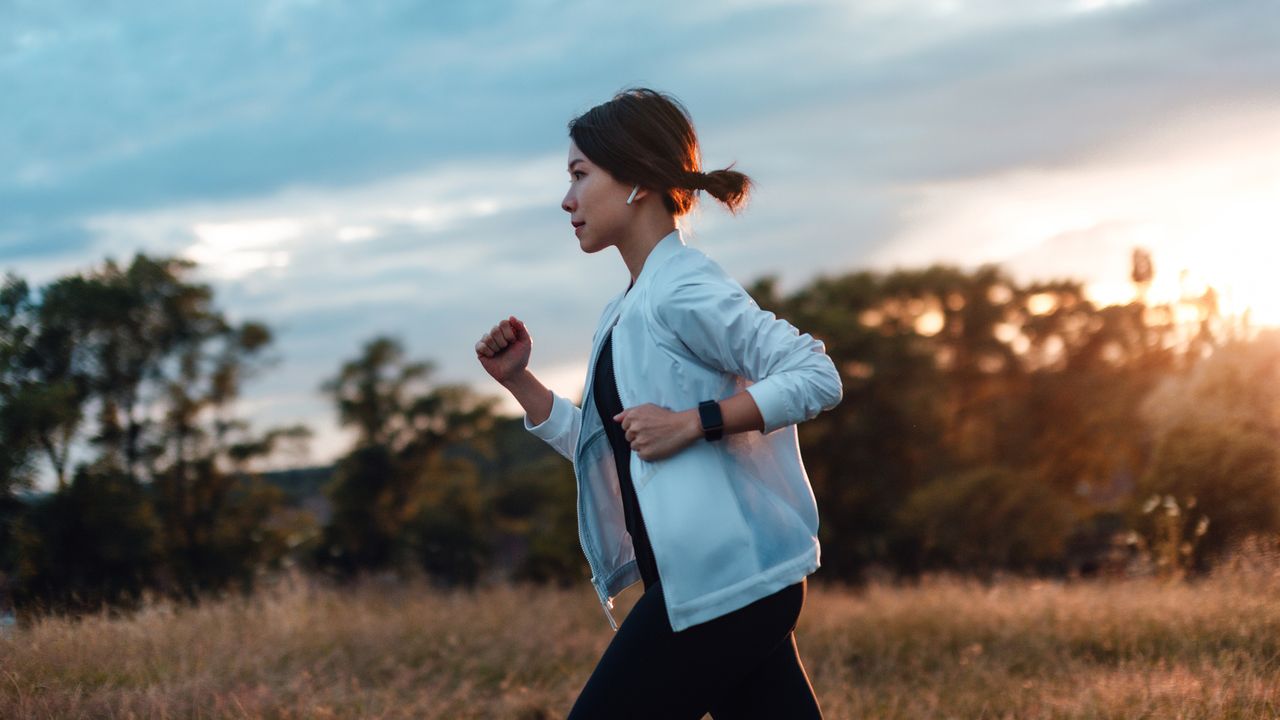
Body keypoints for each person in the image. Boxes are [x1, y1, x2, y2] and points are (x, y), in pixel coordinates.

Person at [474, 87, 841, 719]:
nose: (567, 199)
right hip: (723, 583)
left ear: (638, 181)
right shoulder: (626, 309)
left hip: (726, 587)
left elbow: (815, 373)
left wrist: (697, 422)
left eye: (579, 175)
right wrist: (522, 384)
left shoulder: (684, 288)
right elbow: (615, 445)